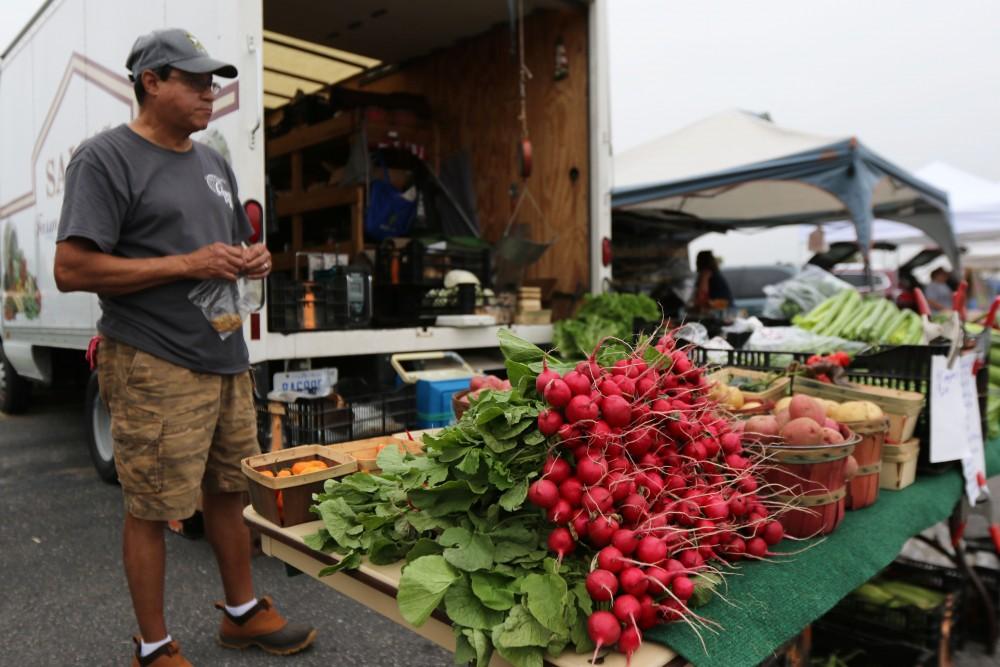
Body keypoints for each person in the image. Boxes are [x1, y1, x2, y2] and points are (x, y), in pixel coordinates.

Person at [54, 29, 314, 666]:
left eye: (214, 80)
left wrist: (254, 259)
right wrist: (188, 262)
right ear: (151, 81)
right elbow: (72, 268)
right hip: (152, 358)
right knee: (152, 506)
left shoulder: (213, 160)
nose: (211, 91)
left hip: (224, 356)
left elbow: (223, 253)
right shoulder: (106, 158)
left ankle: (243, 614)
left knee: (229, 489)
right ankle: (153, 646)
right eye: (195, 81)